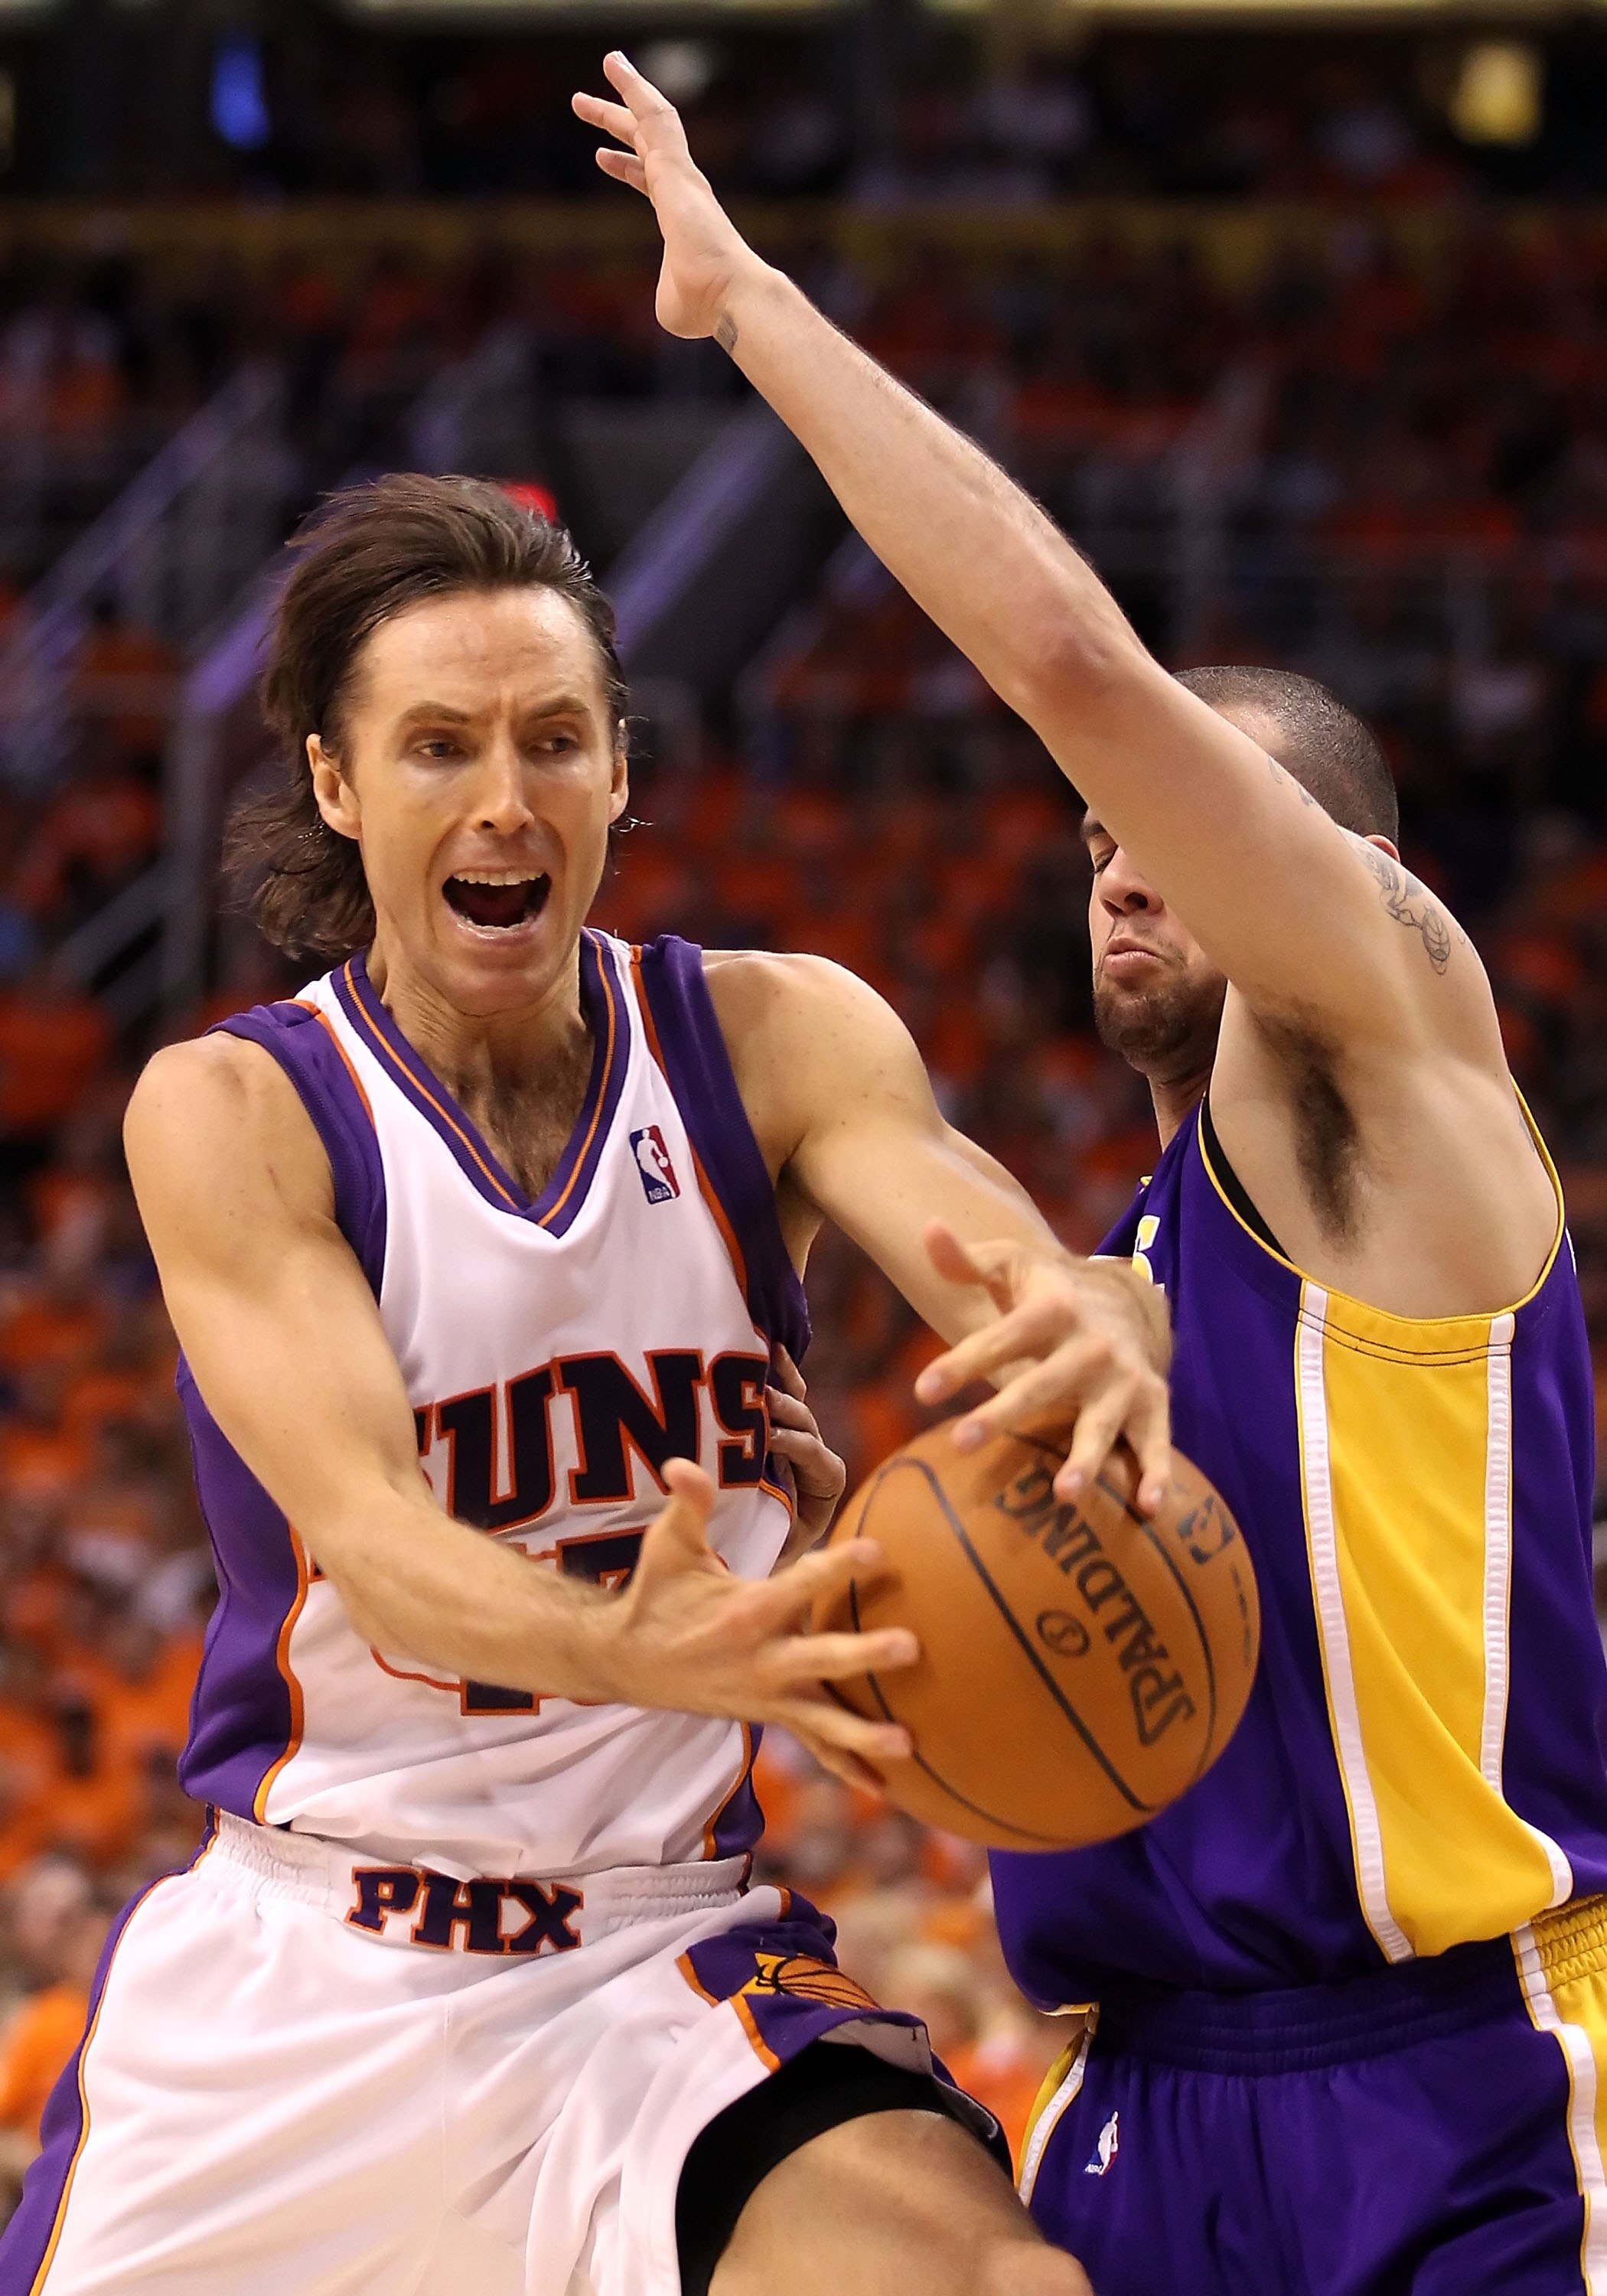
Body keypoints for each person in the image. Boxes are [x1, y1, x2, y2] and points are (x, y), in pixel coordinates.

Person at [575, 53, 1607, 2291]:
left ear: (1354, 876)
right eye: (1095, 841)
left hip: (1465, 2082)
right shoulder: (1106, 1267)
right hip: (1135, 2095)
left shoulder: (1402, 1053)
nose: (1123, 858)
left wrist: (742, 299)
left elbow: (1064, 659)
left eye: (1180, 815)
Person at [0, 472, 1169, 2296]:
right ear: (334, 783)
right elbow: (379, 1545)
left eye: (555, 739)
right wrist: (638, 1646)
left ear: (622, 768)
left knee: (995, 2285)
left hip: (661, 1970)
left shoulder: (772, 1038)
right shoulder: (237, 1111)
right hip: (313, 1974)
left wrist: (1096, 1303)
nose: (504, 798)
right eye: (439, 746)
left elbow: (985, 1239)